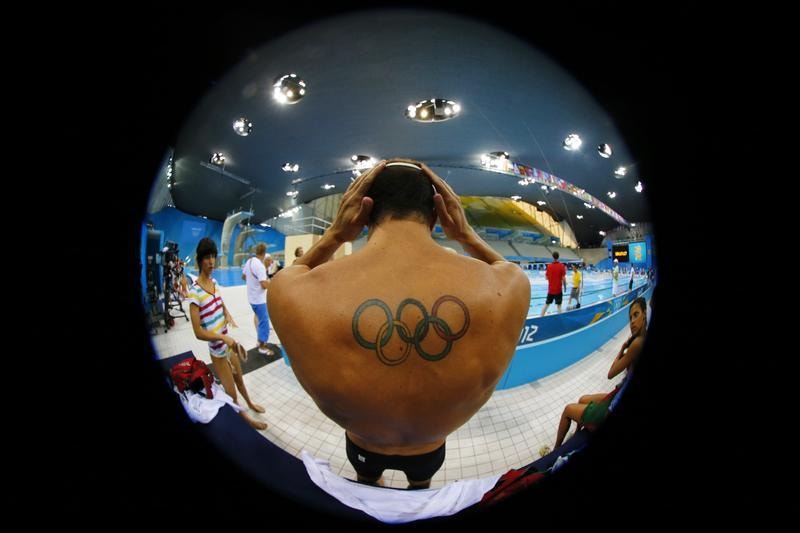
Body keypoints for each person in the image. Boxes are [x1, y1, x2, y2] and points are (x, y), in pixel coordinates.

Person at [268, 159, 530, 489]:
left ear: (362, 215)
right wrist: (466, 235)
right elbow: (508, 269)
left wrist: (335, 234)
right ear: (438, 216)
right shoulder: (511, 287)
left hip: (362, 443)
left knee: (366, 483)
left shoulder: (290, 293)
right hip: (431, 444)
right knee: (420, 492)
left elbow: (285, 278)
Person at [187, 237, 268, 431]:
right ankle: (248, 421)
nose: (212, 261)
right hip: (218, 352)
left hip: (228, 345)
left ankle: (250, 403)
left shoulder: (215, 283)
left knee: (240, 380)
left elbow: (219, 301)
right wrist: (223, 337)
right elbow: (198, 332)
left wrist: (228, 314)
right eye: (207, 257)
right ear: (200, 260)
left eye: (213, 257)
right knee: (231, 394)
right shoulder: (194, 292)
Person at [553, 296, 647, 448]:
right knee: (583, 399)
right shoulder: (644, 338)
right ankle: (579, 434)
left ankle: (555, 451)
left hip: (612, 408)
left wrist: (622, 349)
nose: (632, 322)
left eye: (636, 315)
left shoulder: (637, 343)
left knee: (568, 410)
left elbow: (610, 374)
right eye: (630, 318)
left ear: (645, 314)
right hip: (617, 394)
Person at [241, 243, 274, 356]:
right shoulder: (259, 266)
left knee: (258, 319)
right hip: (259, 299)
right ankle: (262, 347)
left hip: (251, 298)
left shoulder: (249, 262)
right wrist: (274, 285)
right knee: (264, 322)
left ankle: (258, 340)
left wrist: (252, 281)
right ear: (264, 253)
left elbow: (243, 276)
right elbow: (264, 285)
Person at [539, 251, 567, 316]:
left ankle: (541, 316)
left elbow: (546, 277)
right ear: (558, 257)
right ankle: (560, 319)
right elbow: (564, 279)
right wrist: (565, 288)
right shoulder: (561, 266)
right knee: (559, 306)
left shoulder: (549, 266)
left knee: (547, 304)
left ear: (552, 257)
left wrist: (552, 278)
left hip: (551, 290)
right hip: (558, 290)